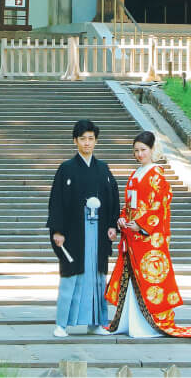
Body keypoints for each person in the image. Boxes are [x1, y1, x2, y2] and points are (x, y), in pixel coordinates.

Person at [104, 130, 191, 338]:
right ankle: (130, 321)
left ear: (152, 150)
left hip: (147, 237)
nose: (140, 154)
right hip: (132, 234)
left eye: (143, 150)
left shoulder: (157, 174)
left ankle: (149, 323)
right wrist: (122, 218)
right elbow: (129, 205)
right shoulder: (135, 174)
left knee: (151, 279)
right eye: (136, 151)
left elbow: (159, 206)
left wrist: (139, 224)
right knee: (132, 278)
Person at [47, 119, 121, 338]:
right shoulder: (66, 169)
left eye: (91, 139)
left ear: (96, 141)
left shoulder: (103, 169)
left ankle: (96, 322)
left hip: (98, 232)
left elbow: (113, 198)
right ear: (75, 141)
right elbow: (57, 202)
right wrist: (58, 230)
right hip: (74, 232)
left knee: (97, 277)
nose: (87, 143)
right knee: (71, 276)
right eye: (83, 139)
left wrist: (111, 225)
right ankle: (62, 323)